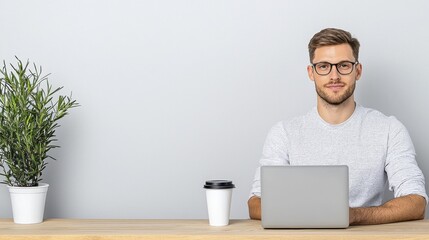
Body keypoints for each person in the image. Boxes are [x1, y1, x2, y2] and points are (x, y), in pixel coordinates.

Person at [248, 28, 427, 225]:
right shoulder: (284, 133)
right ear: (311, 73)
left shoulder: (389, 129)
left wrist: (353, 215)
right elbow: (256, 203)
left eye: (343, 65)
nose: (334, 76)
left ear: (357, 71)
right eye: (324, 66)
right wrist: (318, 215)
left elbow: (416, 202)